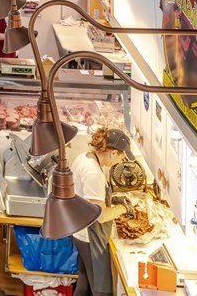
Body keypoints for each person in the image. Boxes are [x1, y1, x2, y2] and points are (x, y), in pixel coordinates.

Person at [69, 127, 134, 296]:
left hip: (80, 233)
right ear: (113, 152)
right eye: (121, 156)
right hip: (91, 237)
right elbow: (101, 216)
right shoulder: (93, 173)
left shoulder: (84, 157)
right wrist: (124, 208)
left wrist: (112, 200)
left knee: (83, 285)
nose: (120, 161)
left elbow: (89, 199)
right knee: (101, 290)